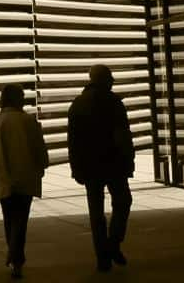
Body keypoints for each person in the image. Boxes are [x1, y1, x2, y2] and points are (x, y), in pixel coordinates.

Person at [0, 84, 49, 279]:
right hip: (26, 178)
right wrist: (42, 167)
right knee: (21, 220)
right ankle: (17, 257)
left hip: (4, 177)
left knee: (9, 218)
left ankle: (14, 253)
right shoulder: (29, 121)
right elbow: (40, 150)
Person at [67, 64, 134, 272]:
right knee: (123, 202)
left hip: (89, 166)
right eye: (111, 77)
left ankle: (102, 258)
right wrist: (128, 159)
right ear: (106, 79)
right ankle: (113, 244)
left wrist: (75, 167)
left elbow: (73, 140)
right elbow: (122, 134)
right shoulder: (114, 102)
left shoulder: (77, 104)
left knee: (96, 212)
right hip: (114, 164)